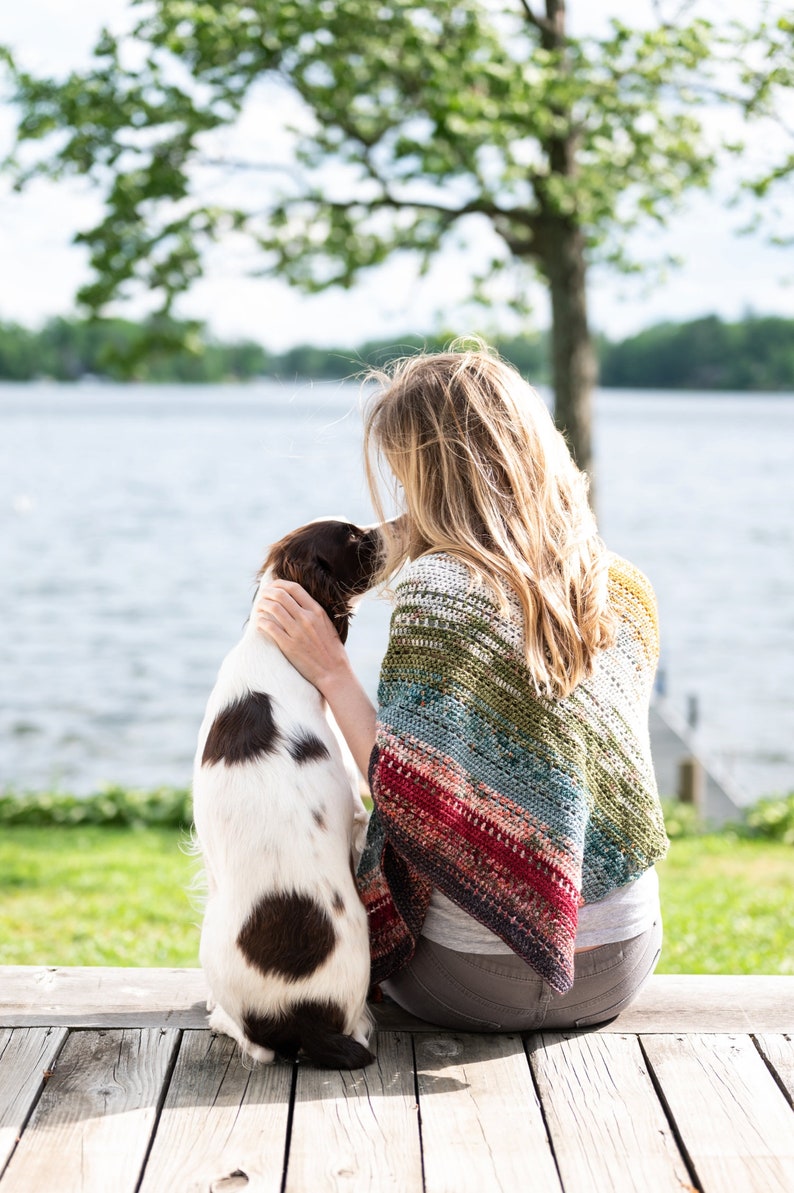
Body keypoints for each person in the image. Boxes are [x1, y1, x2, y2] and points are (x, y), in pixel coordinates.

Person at [257, 345, 668, 1032]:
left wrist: (329, 669)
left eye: (405, 474)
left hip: (476, 980)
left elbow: (403, 792)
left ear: (433, 473)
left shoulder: (440, 591)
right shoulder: (621, 585)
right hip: (623, 962)